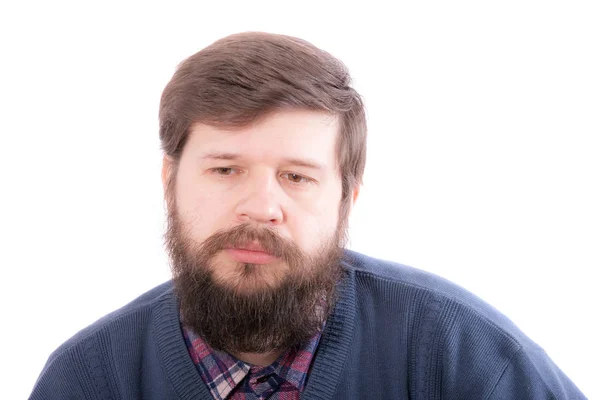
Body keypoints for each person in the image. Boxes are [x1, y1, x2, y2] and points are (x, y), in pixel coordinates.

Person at [30, 31, 586, 400]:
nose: (261, 207)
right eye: (225, 170)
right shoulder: (86, 381)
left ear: (348, 198)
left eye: (296, 177)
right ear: (169, 182)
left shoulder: (464, 357)